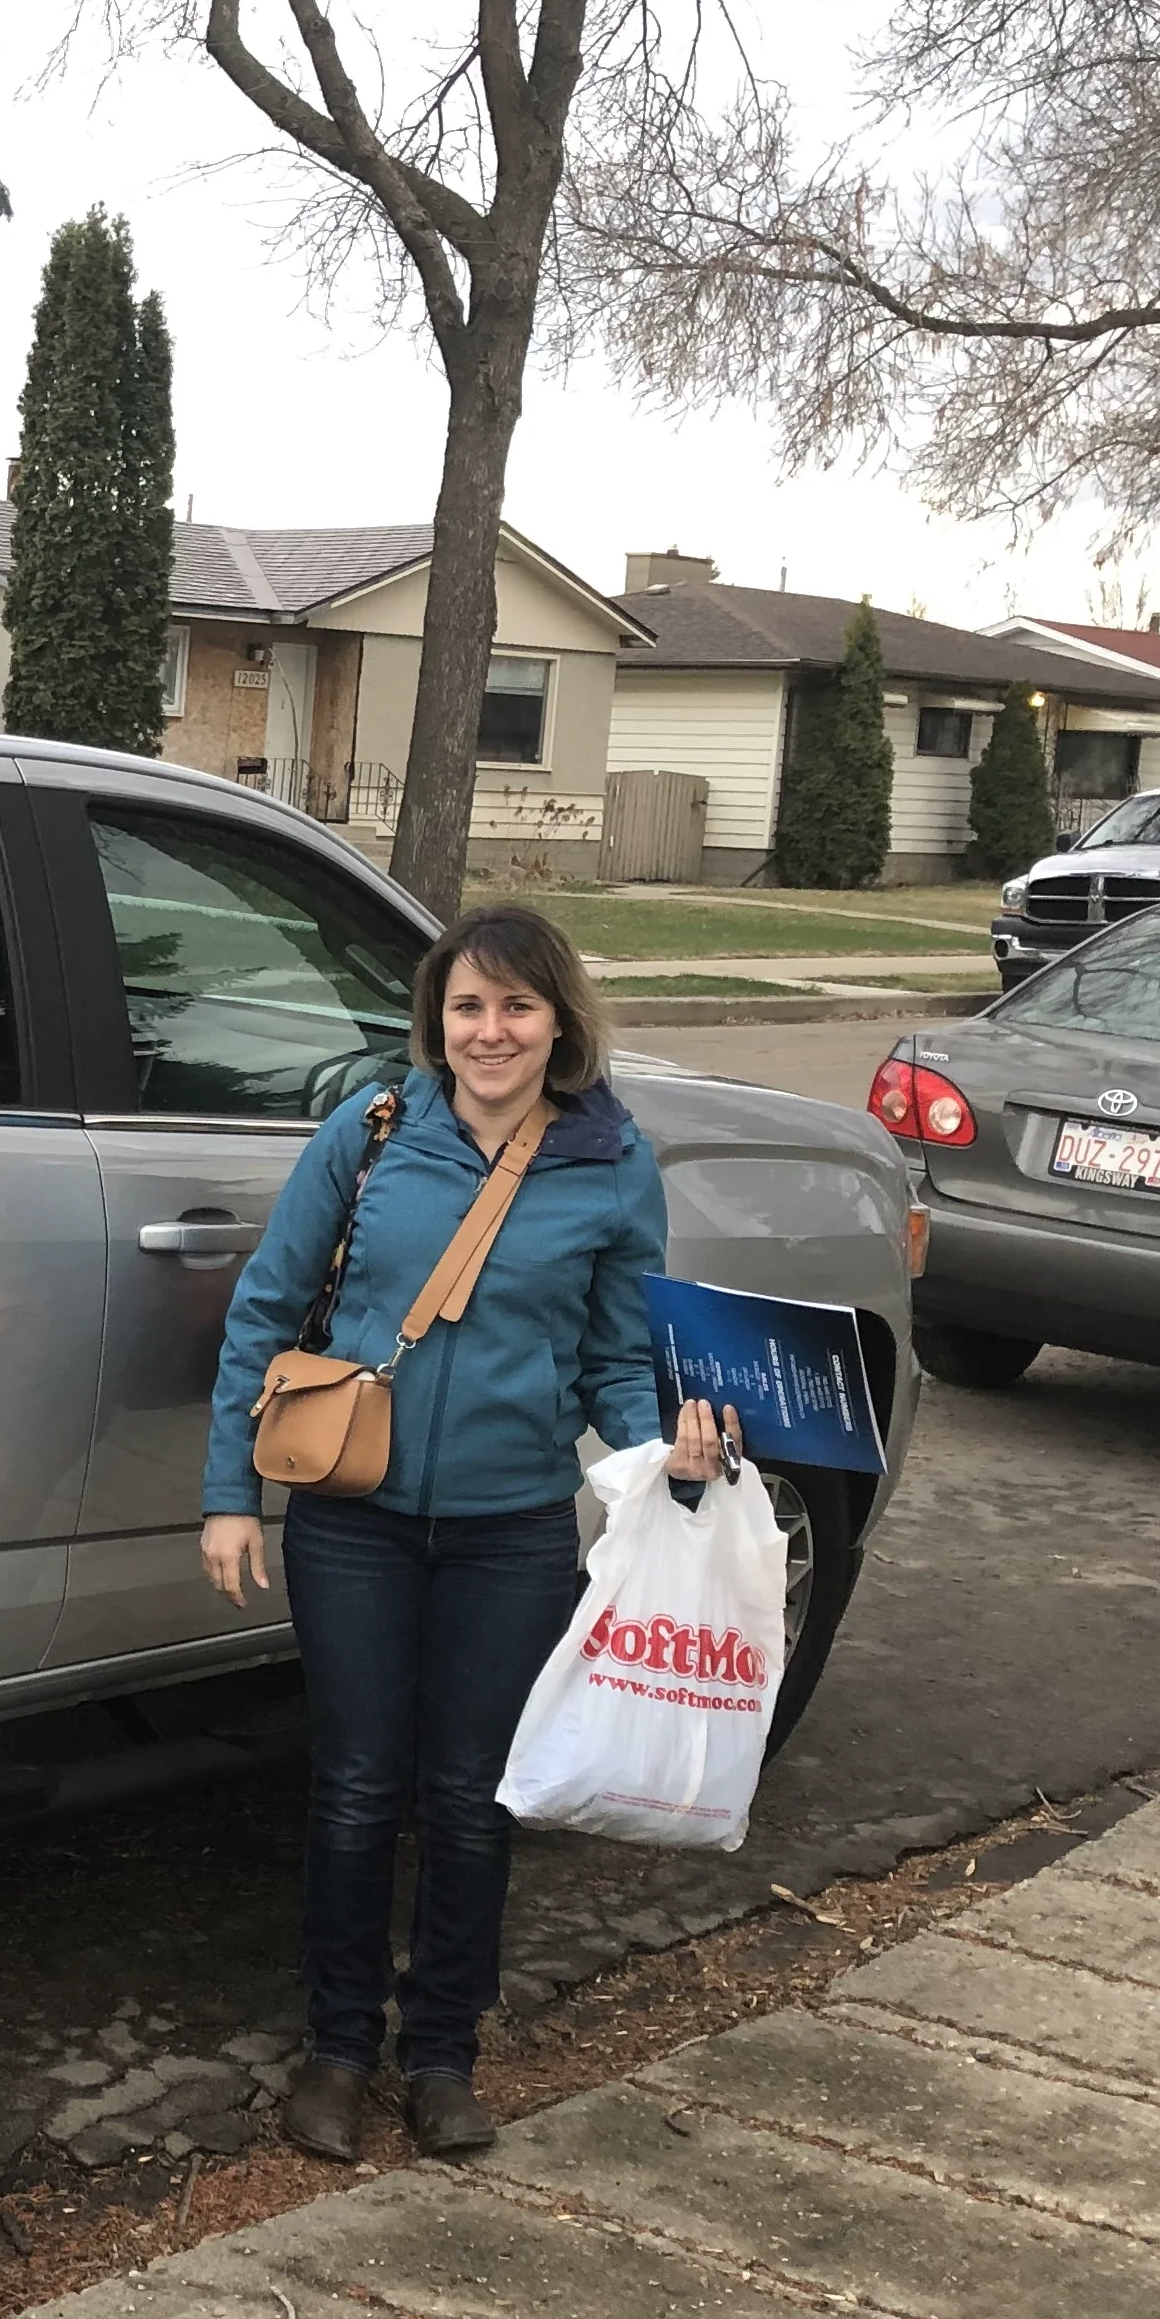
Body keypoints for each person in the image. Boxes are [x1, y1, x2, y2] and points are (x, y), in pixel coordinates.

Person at [197, 902, 738, 2161]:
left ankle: (442, 2053)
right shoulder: (373, 1131)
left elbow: (615, 1358)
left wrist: (669, 1459)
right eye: (467, 1007)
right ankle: (338, 2048)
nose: (490, 1032)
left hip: (511, 1531)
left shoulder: (613, 1162)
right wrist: (229, 1493)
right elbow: (266, 1308)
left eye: (516, 1006)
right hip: (353, 1519)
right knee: (355, 1789)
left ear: (559, 1022)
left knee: (474, 1797)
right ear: (436, 1023)